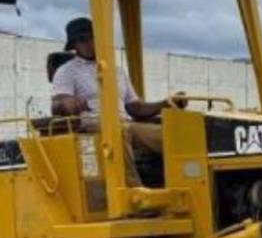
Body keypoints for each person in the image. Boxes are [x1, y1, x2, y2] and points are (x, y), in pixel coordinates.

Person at [50, 17, 178, 156]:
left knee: (172, 135)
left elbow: (135, 108)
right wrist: (68, 104)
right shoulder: (67, 71)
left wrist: (167, 103)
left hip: (125, 124)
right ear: (74, 45)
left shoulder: (117, 71)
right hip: (93, 126)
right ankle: (129, 178)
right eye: (82, 40)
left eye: (92, 38)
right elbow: (59, 104)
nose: (89, 43)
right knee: (118, 132)